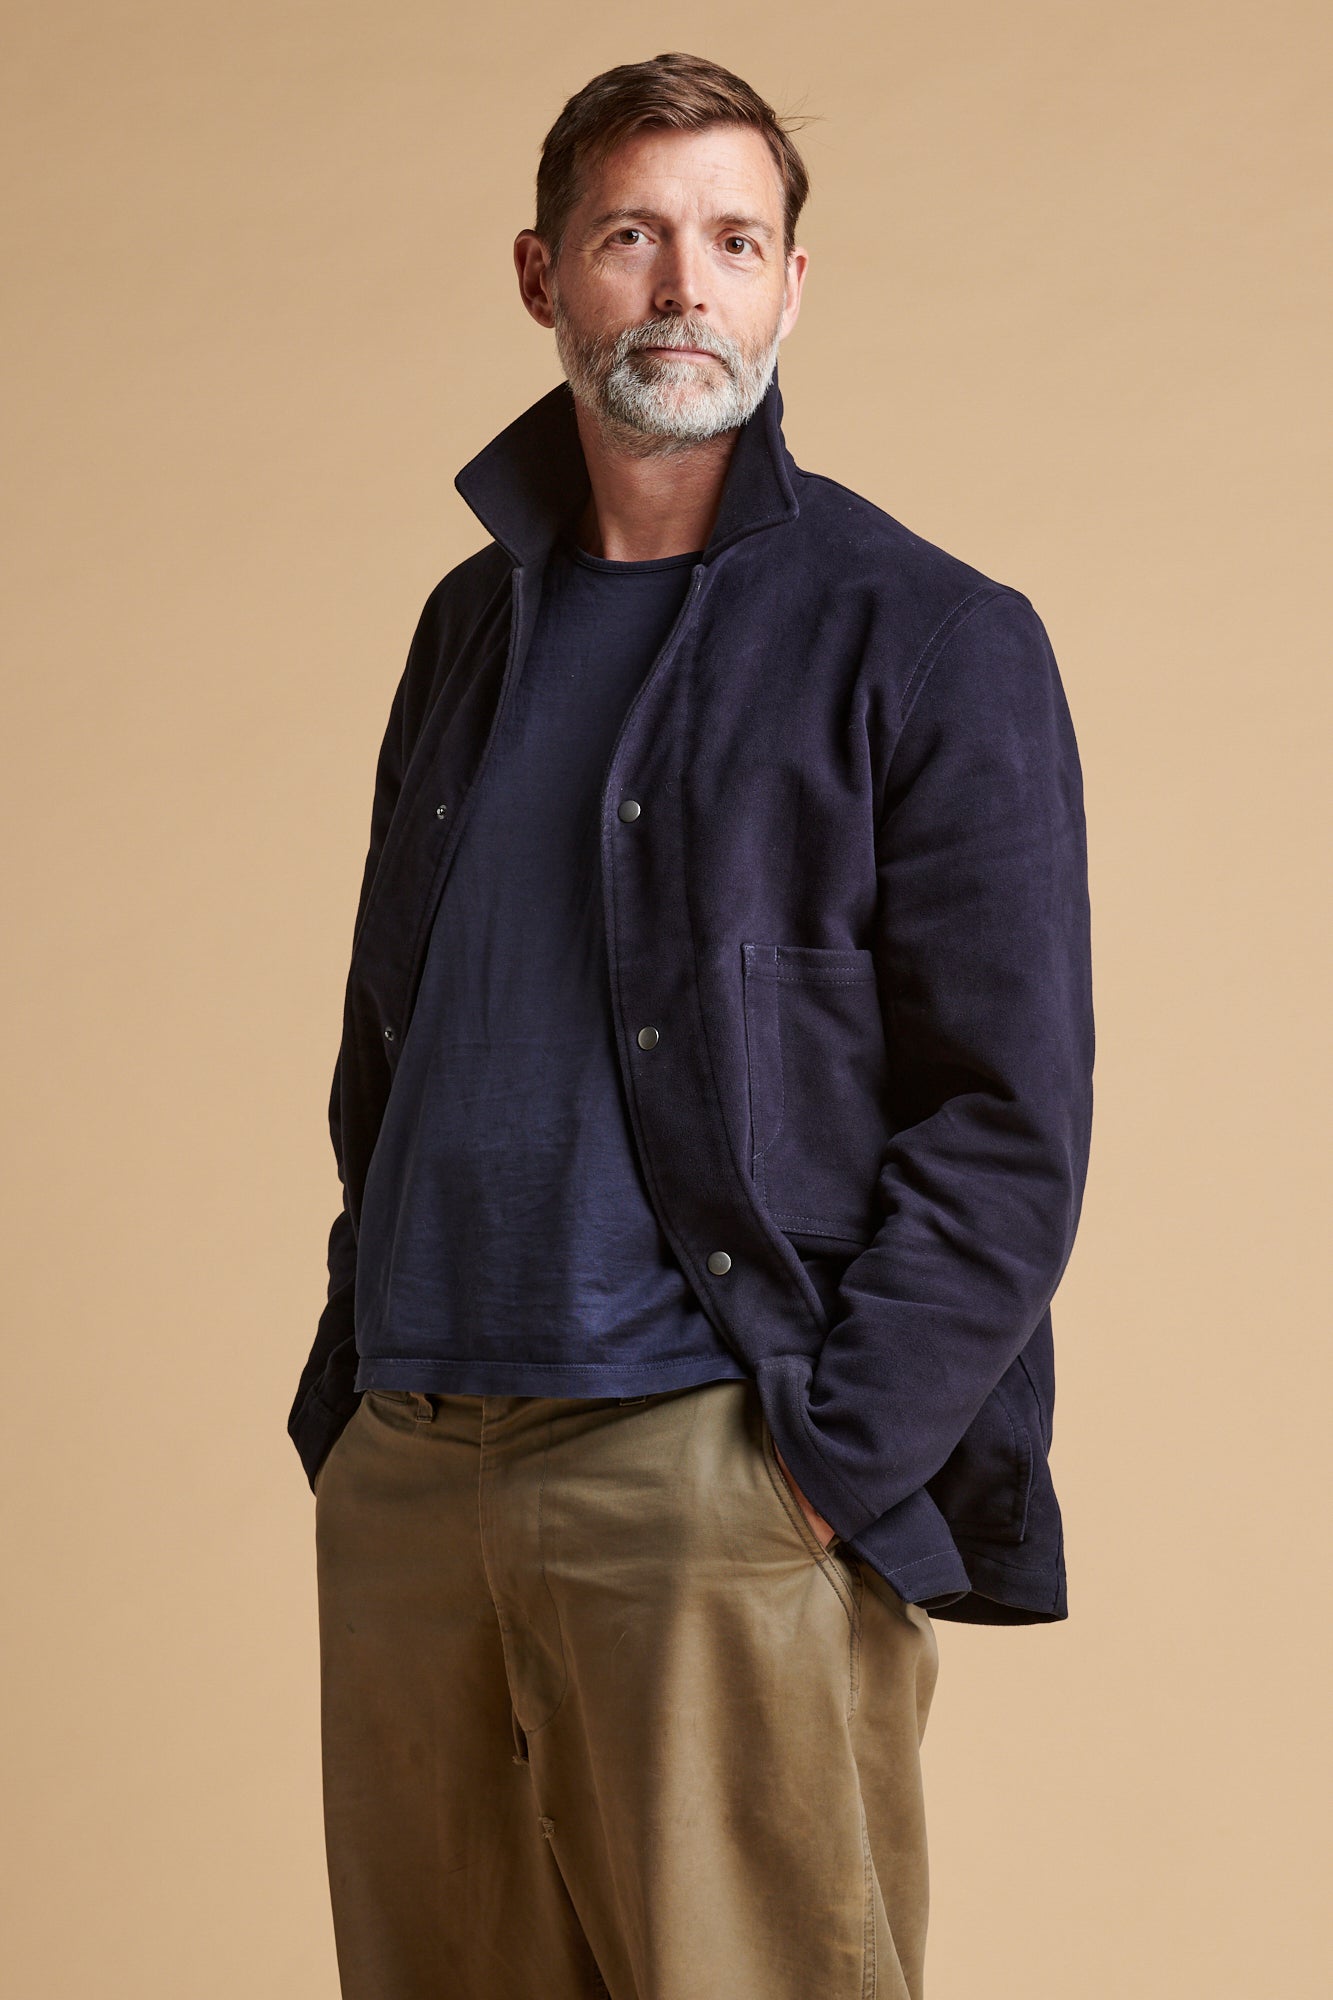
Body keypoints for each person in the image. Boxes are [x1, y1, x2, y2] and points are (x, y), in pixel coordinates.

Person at [289, 49, 1095, 2000]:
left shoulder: (924, 636)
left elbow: (1006, 1121)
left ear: (790, 286)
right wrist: (350, 1392)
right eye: (630, 237)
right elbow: (392, 1035)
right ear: (541, 273)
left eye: (733, 241)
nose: (681, 287)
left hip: (709, 1469)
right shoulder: (467, 629)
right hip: (414, 1465)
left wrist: (823, 1462)